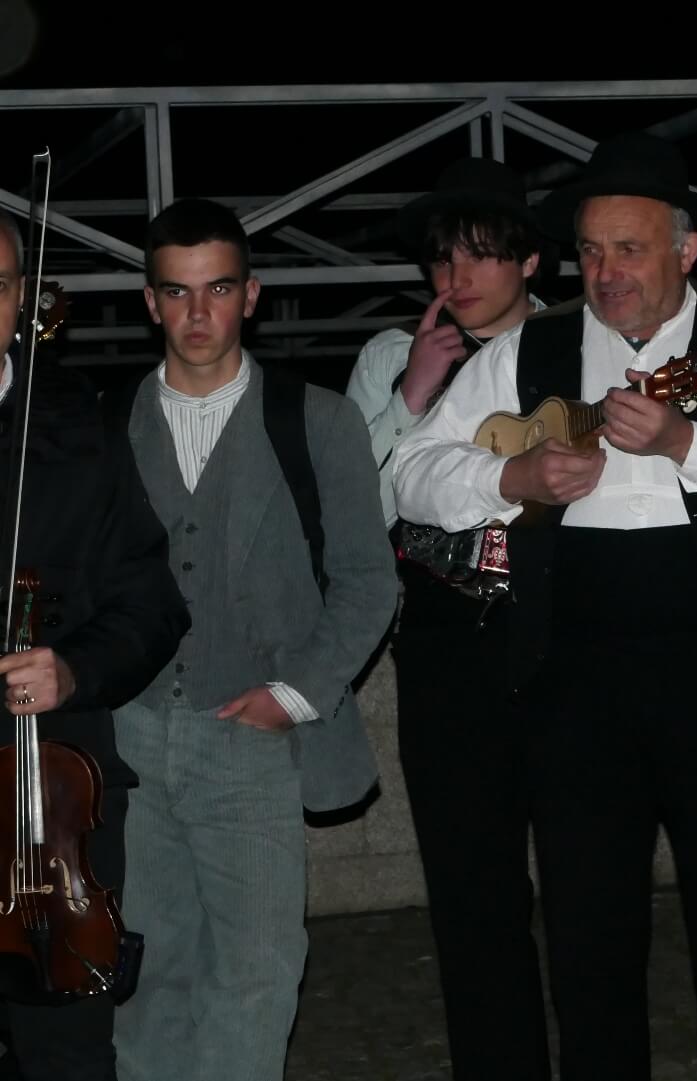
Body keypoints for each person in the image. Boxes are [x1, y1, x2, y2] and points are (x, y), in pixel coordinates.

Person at [390, 132, 697, 1078]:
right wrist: (512, 476)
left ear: (687, 250)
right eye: (592, 251)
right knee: (588, 936)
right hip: (575, 677)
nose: (606, 273)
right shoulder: (530, 346)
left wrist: (689, 443)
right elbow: (412, 473)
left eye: (630, 249)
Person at [111, 198, 396, 1081]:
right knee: (142, 969)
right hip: (130, 736)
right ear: (150, 302)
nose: (199, 313)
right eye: (178, 291)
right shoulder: (104, 430)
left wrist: (293, 695)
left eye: (219, 289)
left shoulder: (318, 421)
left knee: (257, 973)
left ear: (252, 294)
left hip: (253, 737)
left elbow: (368, 580)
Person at [340, 156, 554, 1078]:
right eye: (442, 258)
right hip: (444, 644)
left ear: (530, 260)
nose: (455, 277)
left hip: (566, 638)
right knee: (472, 889)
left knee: (588, 880)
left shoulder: (579, 349)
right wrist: (410, 397)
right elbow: (350, 510)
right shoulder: (391, 355)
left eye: (479, 254)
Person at [0, 214, 188, 1081]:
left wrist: (73, 668)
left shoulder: (79, 424)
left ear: (22, 299)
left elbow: (151, 603)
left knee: (67, 1056)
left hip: (51, 811)